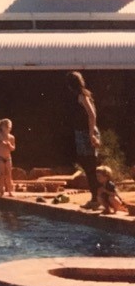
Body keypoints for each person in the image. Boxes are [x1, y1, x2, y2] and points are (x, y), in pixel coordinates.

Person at [66, 71, 101, 209]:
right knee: (88, 166)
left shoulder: (82, 96)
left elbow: (92, 115)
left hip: (86, 133)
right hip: (83, 132)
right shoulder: (86, 94)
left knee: (90, 167)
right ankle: (96, 197)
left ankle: (95, 199)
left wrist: (92, 134)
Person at [0, 118, 16, 197]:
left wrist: (9, 145)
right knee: (2, 174)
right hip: (0, 156)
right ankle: (1, 190)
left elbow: (13, 148)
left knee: (9, 174)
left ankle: (10, 190)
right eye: (6, 126)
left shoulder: (11, 137)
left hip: (8, 157)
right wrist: (0, 142)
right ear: (2, 127)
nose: (8, 128)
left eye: (9, 127)